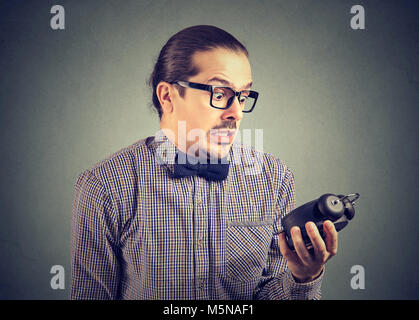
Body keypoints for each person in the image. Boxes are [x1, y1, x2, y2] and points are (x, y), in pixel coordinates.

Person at [70, 25, 338, 300]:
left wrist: (302, 278)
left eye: (243, 96)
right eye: (220, 94)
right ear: (168, 96)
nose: (237, 113)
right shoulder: (103, 185)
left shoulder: (274, 177)